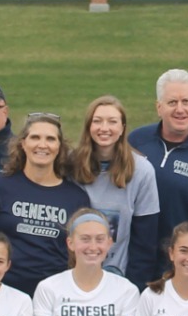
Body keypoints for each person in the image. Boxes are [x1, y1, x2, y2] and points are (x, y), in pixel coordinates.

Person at [0, 112, 93, 296]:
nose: (42, 145)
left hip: (54, 296)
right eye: (35, 137)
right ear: (23, 143)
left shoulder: (76, 197)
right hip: (2, 293)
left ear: (59, 147)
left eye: (50, 139)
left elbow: (80, 255)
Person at [68, 95, 161, 286]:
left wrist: (133, 287)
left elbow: (145, 240)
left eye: (112, 122)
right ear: (88, 127)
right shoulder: (69, 164)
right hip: (73, 275)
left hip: (119, 276)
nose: (104, 128)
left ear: (122, 128)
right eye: (97, 121)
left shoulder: (142, 170)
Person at [128, 69, 188, 246]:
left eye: (186, 102)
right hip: (137, 258)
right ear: (159, 107)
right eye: (172, 102)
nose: (180, 109)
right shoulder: (136, 141)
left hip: (186, 263)